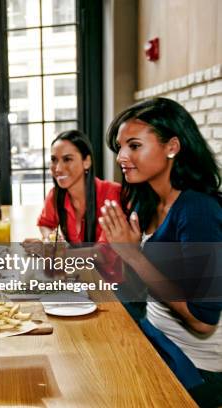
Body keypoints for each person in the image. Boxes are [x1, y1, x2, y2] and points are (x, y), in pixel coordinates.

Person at [100, 97, 221, 407]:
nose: (122, 157)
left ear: (172, 147)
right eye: (120, 147)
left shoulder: (197, 210)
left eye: (134, 146)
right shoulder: (147, 201)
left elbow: (202, 320)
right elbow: (141, 289)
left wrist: (133, 255)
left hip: (195, 368)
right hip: (153, 336)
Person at [24, 130, 122, 282]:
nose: (58, 168)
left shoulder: (112, 193)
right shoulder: (55, 195)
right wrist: (50, 241)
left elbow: (103, 254)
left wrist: (51, 253)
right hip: (76, 279)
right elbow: (45, 224)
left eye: (67, 159)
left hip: (110, 289)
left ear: (86, 162)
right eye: (54, 160)